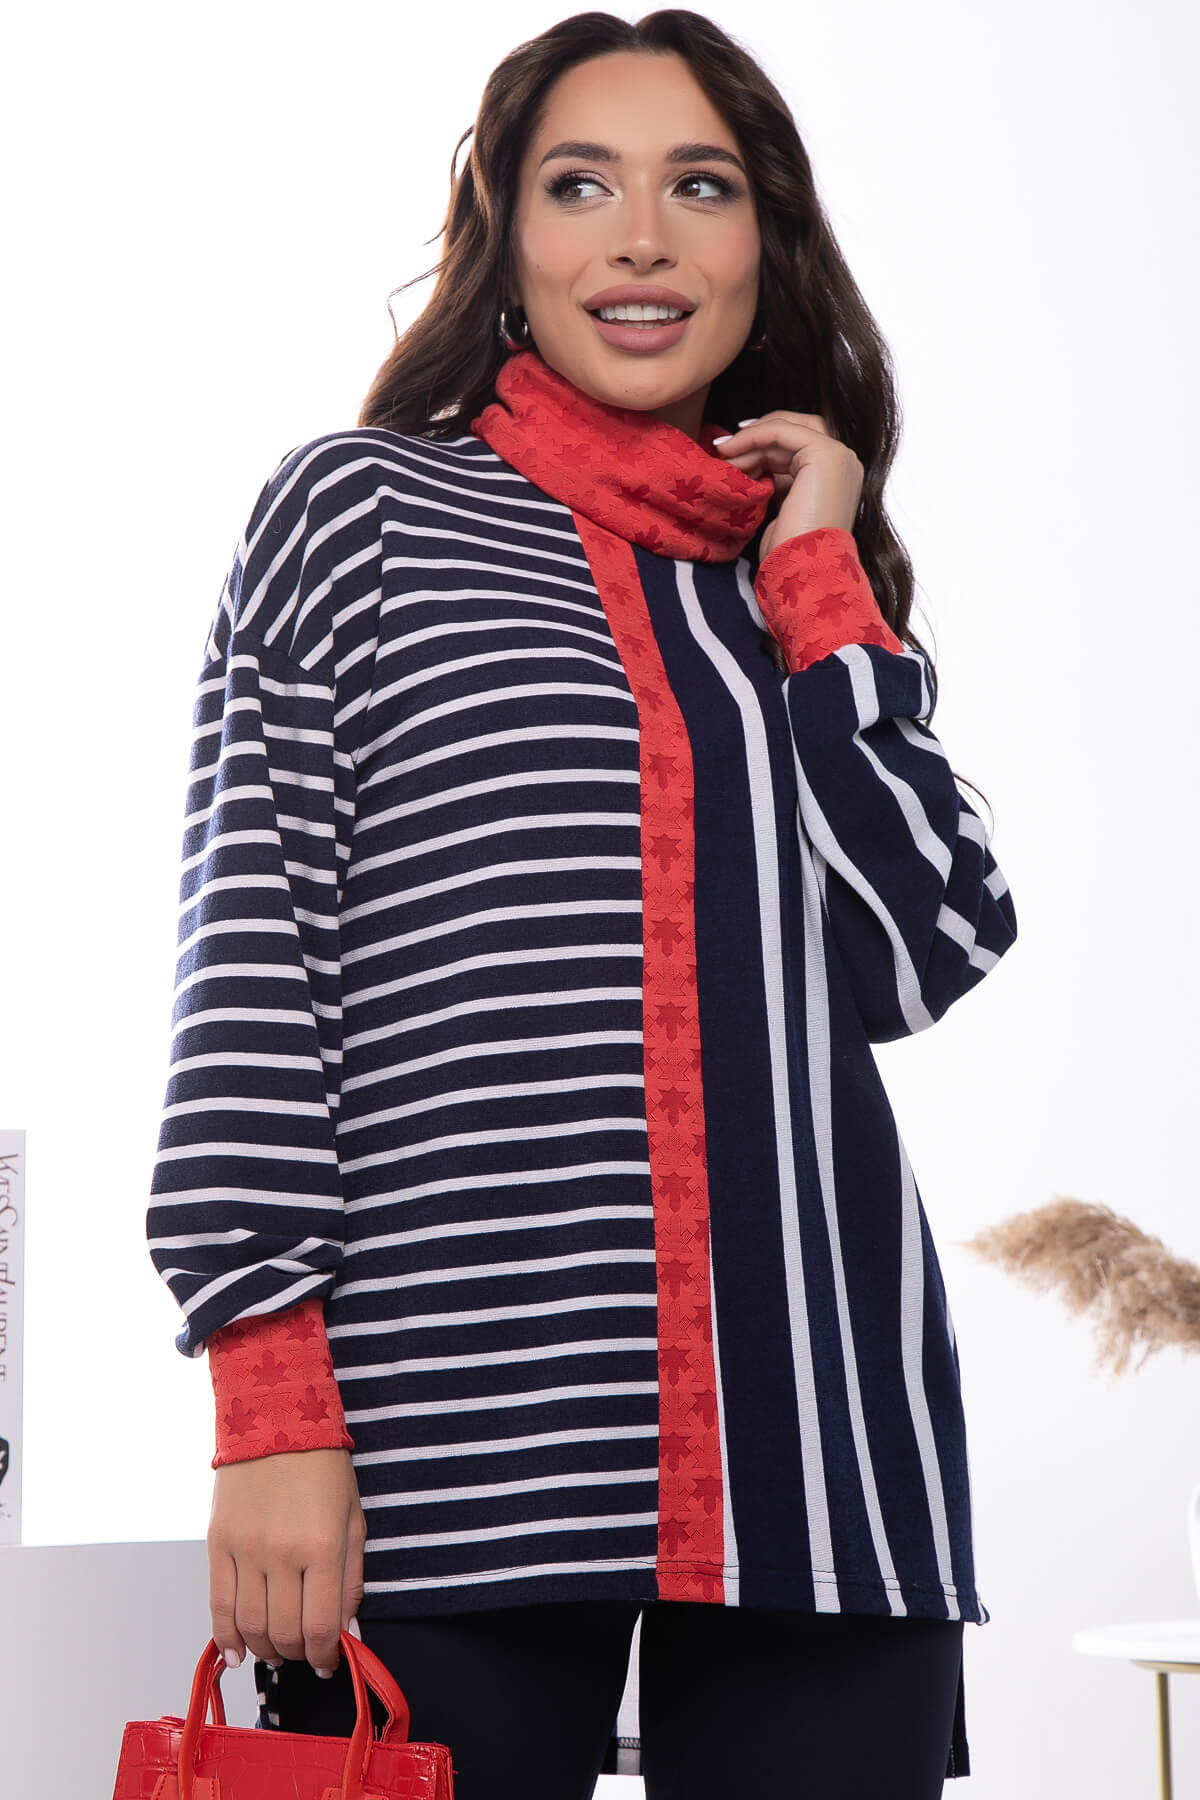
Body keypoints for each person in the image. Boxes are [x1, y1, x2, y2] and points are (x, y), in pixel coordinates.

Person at [146, 9, 1018, 1796]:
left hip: (818, 1457)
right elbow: (253, 967)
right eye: (579, 185)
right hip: (445, 1449)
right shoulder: (359, 515)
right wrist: (268, 1402)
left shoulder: (794, 575)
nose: (639, 239)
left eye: (698, 187)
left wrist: (820, 577)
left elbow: (925, 942)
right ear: (508, 236)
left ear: (762, 243)